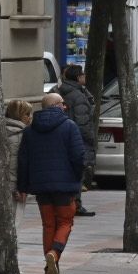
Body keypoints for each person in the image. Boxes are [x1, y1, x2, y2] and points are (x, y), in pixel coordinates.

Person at [14, 92, 85, 274]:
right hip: (65, 185)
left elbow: (23, 160)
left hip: (40, 186)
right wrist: (78, 179)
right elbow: (79, 156)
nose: (65, 107)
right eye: (63, 103)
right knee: (65, 222)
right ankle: (54, 254)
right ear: (57, 105)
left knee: (48, 225)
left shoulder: (30, 130)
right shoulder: (69, 127)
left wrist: (23, 186)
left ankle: (50, 267)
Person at [56, 63, 97, 217]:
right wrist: (91, 138)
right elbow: (83, 122)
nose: (85, 77)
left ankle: (71, 203)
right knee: (77, 173)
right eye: (83, 75)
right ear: (79, 77)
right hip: (77, 140)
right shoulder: (78, 96)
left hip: (65, 139)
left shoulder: (63, 91)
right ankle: (75, 204)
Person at [0, 100, 31, 199]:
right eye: (28, 114)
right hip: (14, 186)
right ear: (20, 115)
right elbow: (17, 164)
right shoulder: (21, 135)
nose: (30, 117)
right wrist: (20, 188)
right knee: (16, 214)